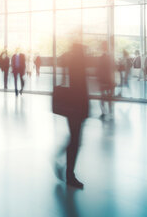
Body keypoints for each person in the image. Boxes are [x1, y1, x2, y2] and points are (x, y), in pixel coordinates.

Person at [55, 41, 89, 189]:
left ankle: (68, 171)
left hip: (73, 108)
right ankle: (69, 174)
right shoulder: (78, 65)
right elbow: (81, 89)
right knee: (75, 140)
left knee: (74, 139)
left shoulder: (71, 63)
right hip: (77, 108)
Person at [97, 42, 116, 121]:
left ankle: (103, 111)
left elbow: (99, 69)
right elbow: (113, 69)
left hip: (103, 79)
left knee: (102, 96)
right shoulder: (110, 58)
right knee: (109, 96)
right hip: (109, 80)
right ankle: (110, 111)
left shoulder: (101, 58)